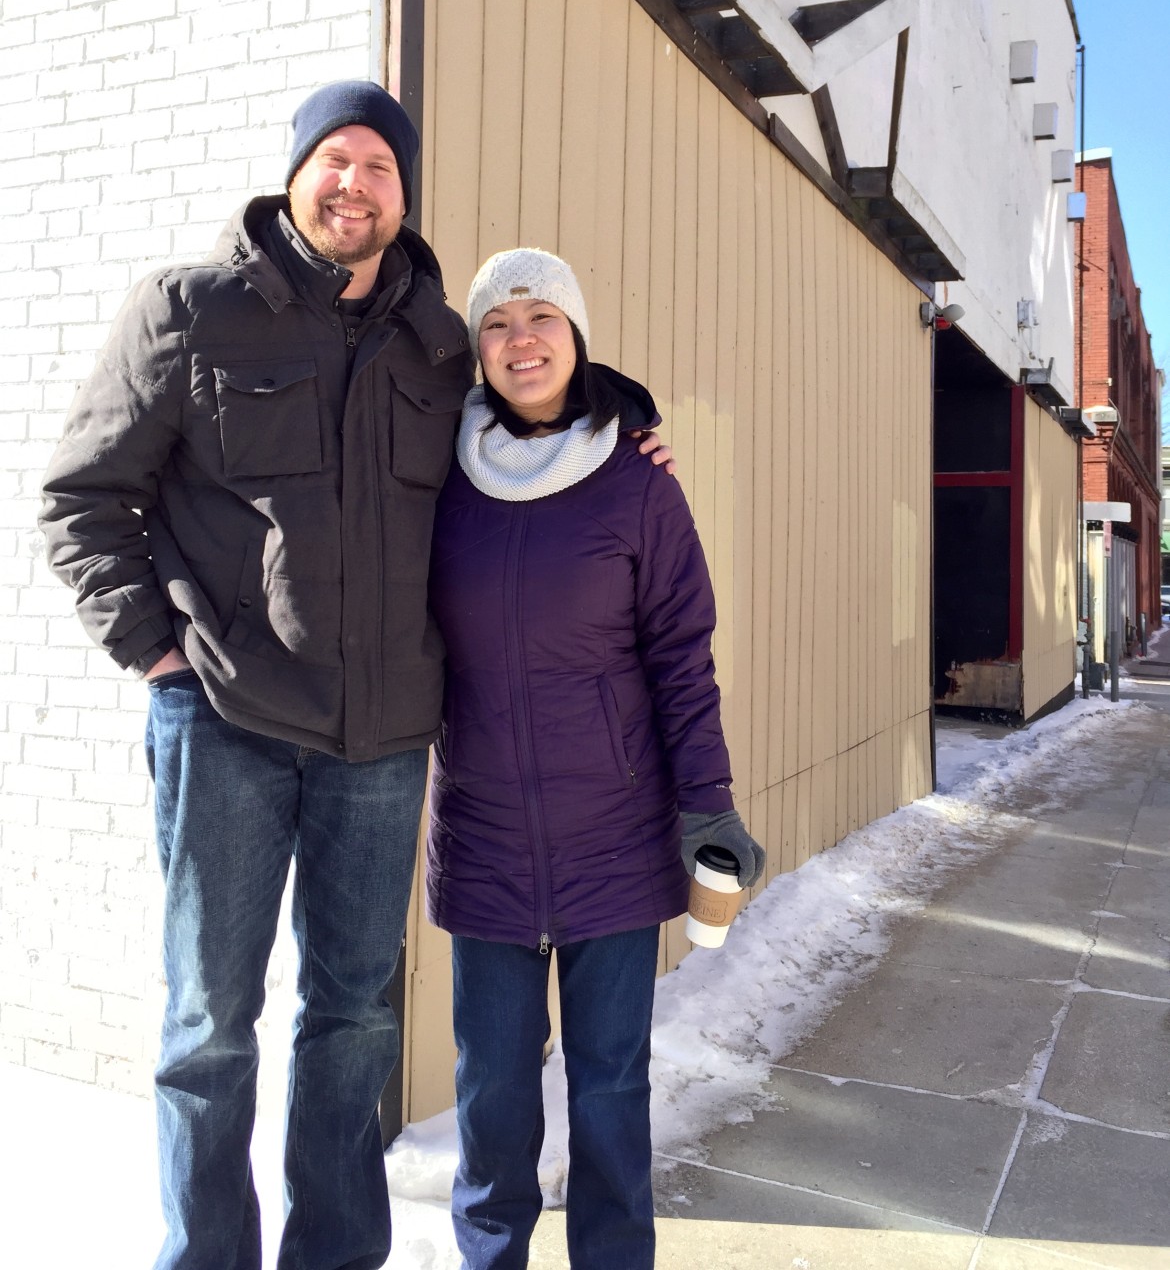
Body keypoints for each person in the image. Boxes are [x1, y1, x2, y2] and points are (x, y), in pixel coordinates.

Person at [38, 81, 670, 1270]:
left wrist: (621, 409)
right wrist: (157, 655)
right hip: (223, 720)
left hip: (380, 748)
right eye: (336, 158)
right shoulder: (192, 308)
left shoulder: (438, 341)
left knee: (354, 1023)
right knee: (210, 1028)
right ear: (296, 174)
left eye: (381, 167)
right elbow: (83, 496)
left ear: (404, 194)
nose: (355, 184)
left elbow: (529, 406)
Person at [426, 248, 766, 1270]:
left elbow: (679, 654)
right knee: (491, 1096)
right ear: (476, 349)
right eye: (496, 322)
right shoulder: (437, 478)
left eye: (542, 317)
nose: (519, 339)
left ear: (577, 340)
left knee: (610, 1089)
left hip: (614, 843)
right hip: (482, 839)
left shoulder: (636, 483)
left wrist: (706, 803)